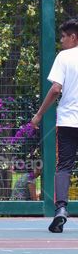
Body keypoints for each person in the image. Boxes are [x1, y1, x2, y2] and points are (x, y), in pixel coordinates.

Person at [29, 18, 78, 233]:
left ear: (73, 37)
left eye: (64, 37)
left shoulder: (64, 57)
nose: (61, 41)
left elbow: (56, 89)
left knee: (64, 166)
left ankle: (61, 209)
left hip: (69, 121)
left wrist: (39, 114)